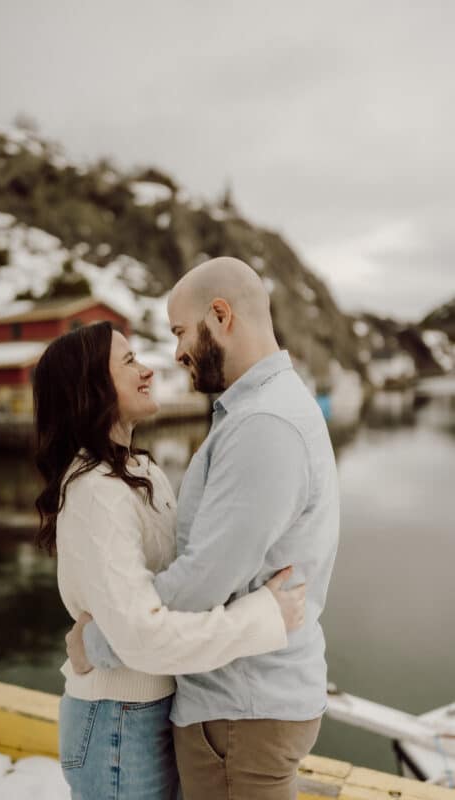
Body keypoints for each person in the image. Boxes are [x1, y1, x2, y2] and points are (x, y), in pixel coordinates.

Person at [67, 257, 340, 800]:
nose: (174, 354)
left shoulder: (263, 424)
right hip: (247, 705)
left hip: (242, 708)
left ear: (220, 316)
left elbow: (200, 585)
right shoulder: (260, 412)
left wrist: (98, 642)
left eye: (179, 332)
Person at [33, 319, 306, 800]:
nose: (149, 370)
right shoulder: (95, 491)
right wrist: (262, 618)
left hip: (153, 709)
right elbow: (143, 635)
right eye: (128, 361)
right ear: (91, 386)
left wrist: (93, 641)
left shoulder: (143, 471)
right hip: (119, 719)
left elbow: (183, 585)